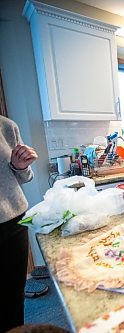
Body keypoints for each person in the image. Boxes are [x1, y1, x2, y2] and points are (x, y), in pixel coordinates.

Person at [1, 115, 39, 332]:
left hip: (13, 221)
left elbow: (25, 176)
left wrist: (19, 166)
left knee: (13, 297)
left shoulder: (6, 126)